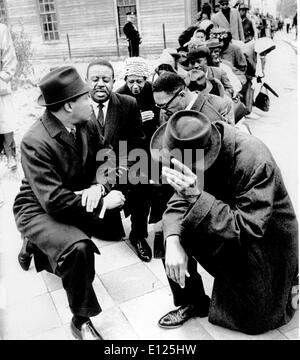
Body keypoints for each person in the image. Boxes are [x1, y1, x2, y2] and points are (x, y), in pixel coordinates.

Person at [150, 110, 298, 335]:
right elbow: (179, 202)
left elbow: (249, 228)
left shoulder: (255, 158)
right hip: (222, 219)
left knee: (255, 321)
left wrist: (196, 196)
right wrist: (172, 241)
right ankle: (193, 301)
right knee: (165, 231)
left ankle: (289, 286)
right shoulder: (195, 145)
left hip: (266, 240)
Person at [13, 66, 127, 340]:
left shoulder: (84, 121)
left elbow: (107, 153)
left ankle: (34, 244)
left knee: (75, 249)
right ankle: (81, 320)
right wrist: (103, 203)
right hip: (39, 207)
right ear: (67, 106)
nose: (93, 100)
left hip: (73, 195)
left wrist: (99, 186)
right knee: (79, 249)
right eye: (86, 97)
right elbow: (53, 201)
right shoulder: (34, 141)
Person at [86, 59, 152, 263]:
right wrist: (99, 183)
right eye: (95, 79)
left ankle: (139, 235)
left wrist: (117, 172)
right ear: (86, 81)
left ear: (114, 81)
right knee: (106, 230)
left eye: (106, 79)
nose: (100, 84)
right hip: (91, 172)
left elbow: (136, 144)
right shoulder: (76, 106)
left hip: (122, 165)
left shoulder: (127, 104)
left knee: (142, 177)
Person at [0, 22, 18, 170]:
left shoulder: (1, 30)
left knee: (5, 121)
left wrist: (3, 78)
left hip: (0, 85)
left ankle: (10, 156)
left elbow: (10, 59)